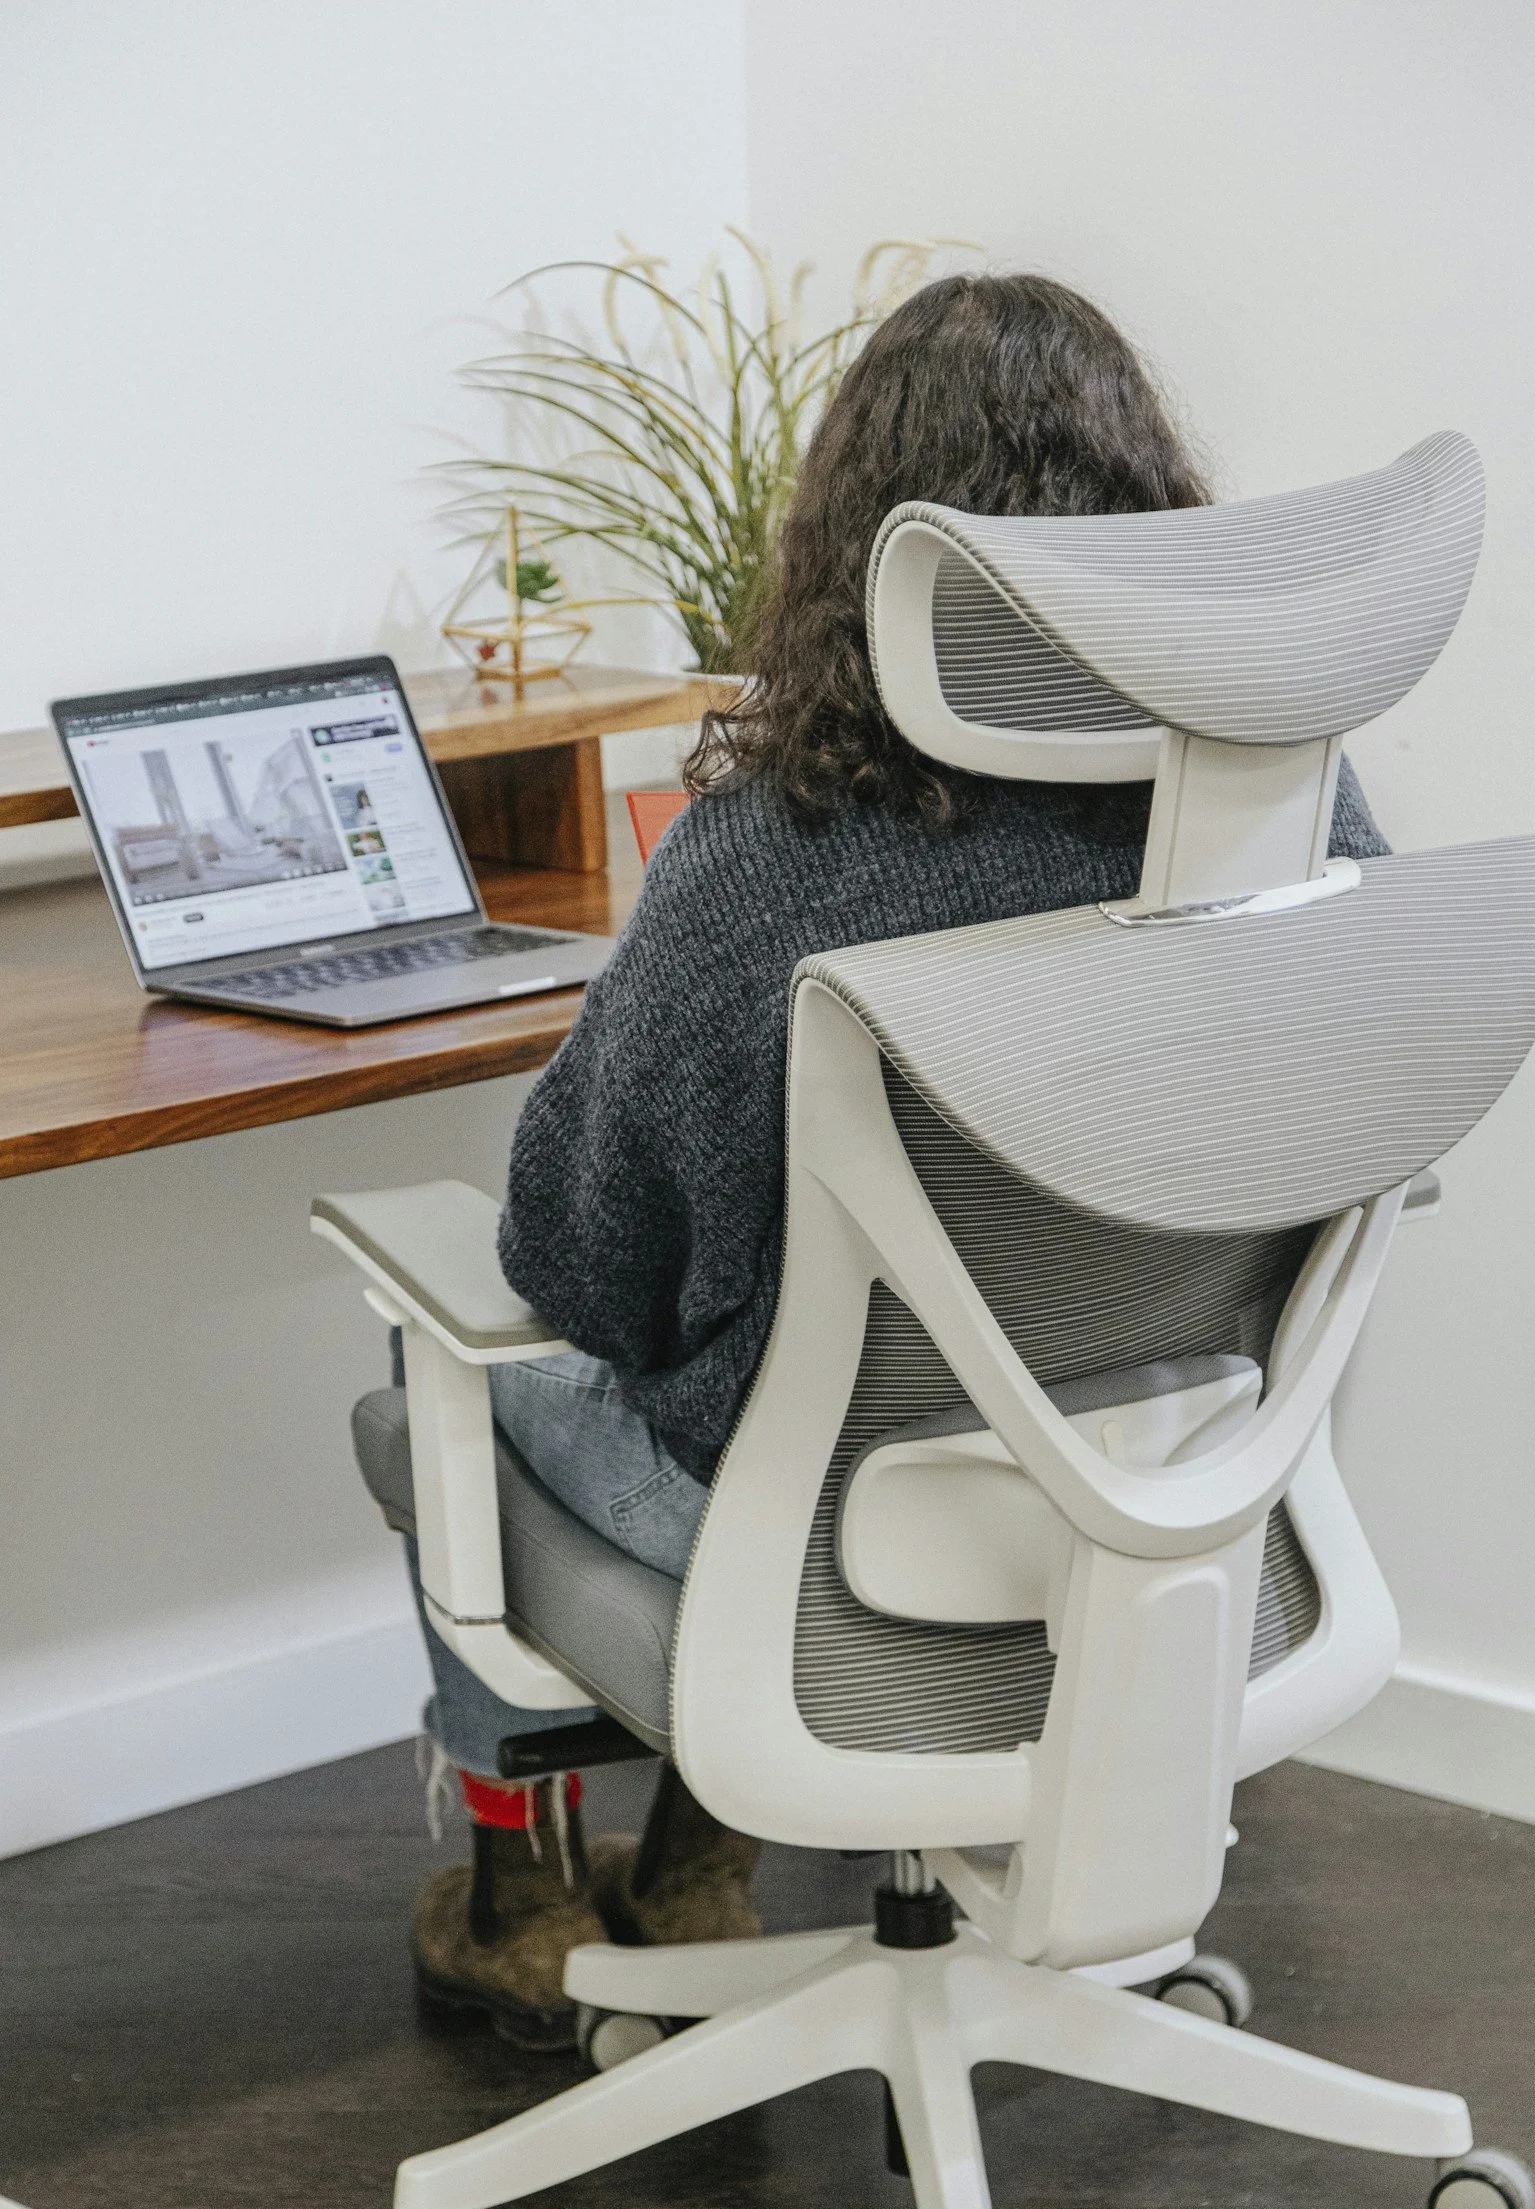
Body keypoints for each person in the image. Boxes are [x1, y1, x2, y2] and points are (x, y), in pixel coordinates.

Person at [407, 272, 1388, 2044]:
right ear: (1145, 522)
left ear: (858, 545)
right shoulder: (1291, 800)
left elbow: (583, 1265)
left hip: (840, 1563)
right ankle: (701, 1858)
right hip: (1191, 1508)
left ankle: (513, 1894)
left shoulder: (768, 851)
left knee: (446, 1384)